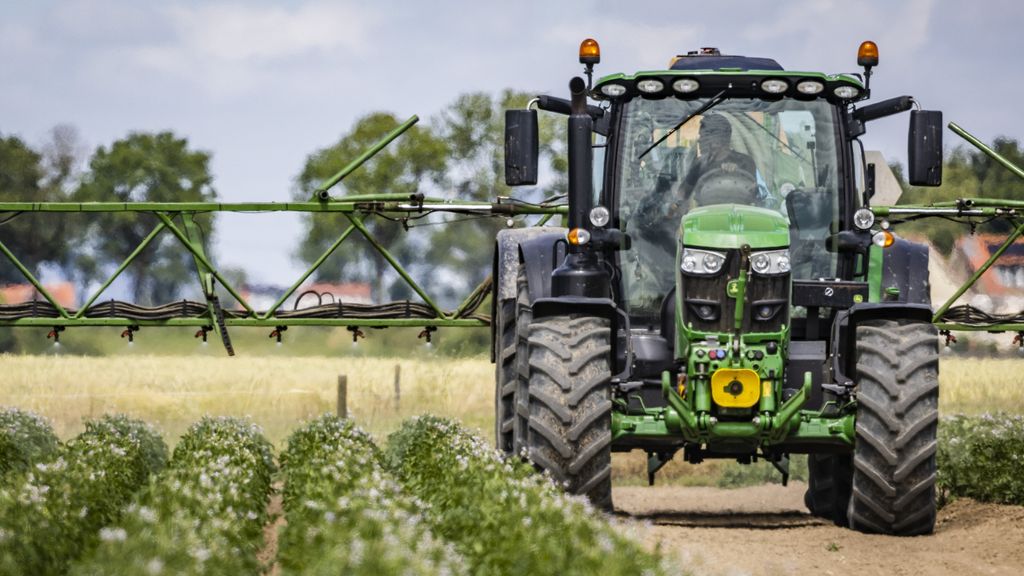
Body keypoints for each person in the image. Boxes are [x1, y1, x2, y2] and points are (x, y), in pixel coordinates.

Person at [677, 114, 758, 206]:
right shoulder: (699, 164)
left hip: (740, 216)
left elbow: (754, 192)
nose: (699, 141)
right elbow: (682, 194)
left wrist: (736, 173)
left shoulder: (745, 162)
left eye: (703, 136)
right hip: (705, 216)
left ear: (717, 141)